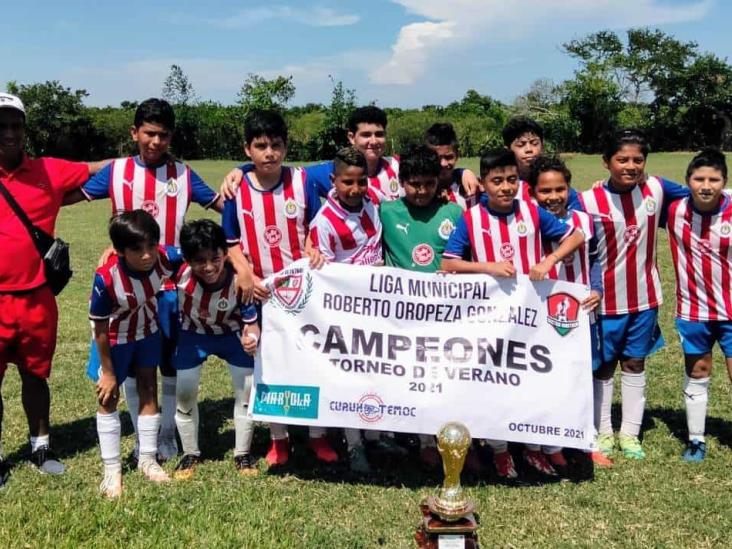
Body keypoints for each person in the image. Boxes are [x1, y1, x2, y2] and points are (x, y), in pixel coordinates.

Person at [66, 98, 224, 462]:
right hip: (126, 288)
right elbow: (66, 195)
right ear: (134, 132)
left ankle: (166, 436)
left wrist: (238, 177)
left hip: (171, 287)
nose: (155, 142)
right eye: (149, 133)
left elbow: (225, 205)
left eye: (163, 135)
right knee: (137, 368)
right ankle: (143, 439)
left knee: (167, 362)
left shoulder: (183, 175)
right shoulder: (117, 171)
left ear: (171, 137)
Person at [441, 148, 585, 480]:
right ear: (482, 183)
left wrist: (549, 261)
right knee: (495, 381)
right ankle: (500, 451)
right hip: (491, 317)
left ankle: (534, 449)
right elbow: (448, 263)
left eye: (511, 180)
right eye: (496, 181)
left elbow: (575, 236)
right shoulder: (471, 218)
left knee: (532, 381)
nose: (505, 188)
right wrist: (487, 267)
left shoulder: (532, 213)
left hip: (531, 318)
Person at [0, 92, 107, 485]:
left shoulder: (48, 170)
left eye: (16, 125)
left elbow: (102, 168)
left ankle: (41, 445)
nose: (9, 133)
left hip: (37, 299)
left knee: (35, 376)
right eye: (1, 126)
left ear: (25, 130)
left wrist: (150, 158)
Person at [221, 109, 329, 467]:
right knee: (267, 363)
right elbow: (229, 241)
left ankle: (318, 436)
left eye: (276, 145)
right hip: (259, 293)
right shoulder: (236, 190)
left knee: (313, 358)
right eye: (261, 146)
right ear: (247, 149)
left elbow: (317, 225)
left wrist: (313, 245)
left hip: (302, 292)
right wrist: (245, 272)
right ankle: (278, 439)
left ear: (286, 147)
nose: (269, 153)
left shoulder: (302, 181)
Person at [578, 128, 689, 460]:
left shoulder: (658, 188)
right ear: (606, 162)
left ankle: (629, 433)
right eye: (622, 159)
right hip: (604, 302)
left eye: (637, 159)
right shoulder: (587, 200)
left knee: (635, 362)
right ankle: (603, 431)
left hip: (645, 298)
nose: (630, 166)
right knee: (604, 366)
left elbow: (701, 193)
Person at [380, 144, 473, 469]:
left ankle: (450, 436)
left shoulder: (453, 212)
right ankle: (420, 440)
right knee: (410, 376)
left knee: (444, 377)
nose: (421, 191)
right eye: (414, 183)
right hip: (402, 316)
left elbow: (466, 257)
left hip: (445, 315)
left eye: (428, 184)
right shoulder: (386, 212)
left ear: (439, 182)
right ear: (401, 181)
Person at [91, 210, 184, 498]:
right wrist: (107, 371)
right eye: (136, 249)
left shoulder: (165, 256)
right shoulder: (107, 278)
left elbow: (194, 249)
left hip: (147, 329)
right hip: (114, 338)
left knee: (148, 387)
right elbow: (101, 328)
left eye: (150, 246)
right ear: (119, 251)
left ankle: (148, 459)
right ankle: (112, 470)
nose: (146, 255)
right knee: (109, 396)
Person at [527, 155, 609, 470]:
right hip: (540, 314)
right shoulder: (528, 221)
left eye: (560, 189)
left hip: (580, 311)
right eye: (545, 191)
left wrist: (597, 289)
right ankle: (552, 444)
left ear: (569, 188)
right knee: (547, 377)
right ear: (532, 192)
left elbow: (595, 260)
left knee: (581, 376)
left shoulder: (585, 220)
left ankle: (586, 440)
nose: (553, 197)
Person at [221, 107, 481, 203]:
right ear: (351, 138)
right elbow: (280, 169)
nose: (373, 141)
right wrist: (242, 169)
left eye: (379, 134)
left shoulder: (398, 165)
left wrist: (462, 171)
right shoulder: (333, 170)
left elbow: (433, 168)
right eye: (365, 135)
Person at [309, 146, 382, 472]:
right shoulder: (324, 222)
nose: (355, 189)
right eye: (347, 182)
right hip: (346, 311)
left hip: (378, 306)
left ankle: (377, 435)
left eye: (361, 181)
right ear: (333, 181)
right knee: (351, 377)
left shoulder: (373, 204)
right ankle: (354, 445)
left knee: (377, 372)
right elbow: (323, 273)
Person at [172, 219, 261, 478]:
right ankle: (190, 453)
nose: (209, 266)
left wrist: (251, 338)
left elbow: (252, 324)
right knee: (185, 391)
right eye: (200, 260)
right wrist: (115, 250)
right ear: (188, 259)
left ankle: (242, 453)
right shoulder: (178, 271)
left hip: (230, 334)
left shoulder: (239, 281)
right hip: (193, 334)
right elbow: (153, 251)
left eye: (215, 258)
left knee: (246, 390)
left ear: (225, 255)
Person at [666, 149, 730, 462]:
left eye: (714, 179)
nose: (706, 185)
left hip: (731, 311)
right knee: (698, 371)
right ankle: (695, 439)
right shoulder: (674, 210)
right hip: (693, 311)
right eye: (699, 178)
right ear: (688, 180)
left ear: (724, 182)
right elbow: (641, 187)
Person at [424, 122, 480, 210]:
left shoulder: (471, 187)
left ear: (457, 155)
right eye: (437, 158)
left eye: (448, 157)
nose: (443, 163)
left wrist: (464, 171)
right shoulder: (420, 191)